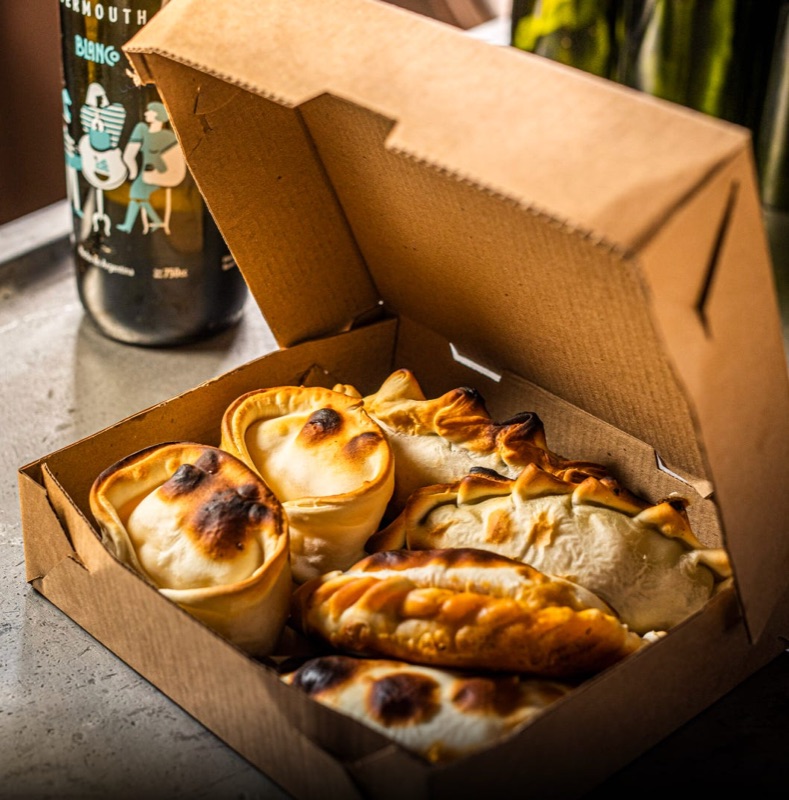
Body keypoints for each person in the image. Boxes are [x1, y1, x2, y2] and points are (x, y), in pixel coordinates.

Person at [117, 101, 185, 234]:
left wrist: (159, 173)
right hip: (145, 174)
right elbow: (129, 155)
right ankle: (142, 222)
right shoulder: (143, 130)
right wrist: (133, 169)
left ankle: (129, 225)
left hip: (159, 175)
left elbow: (175, 163)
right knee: (137, 193)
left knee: (136, 192)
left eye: (150, 111)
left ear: (158, 115)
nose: (146, 113)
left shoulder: (168, 137)